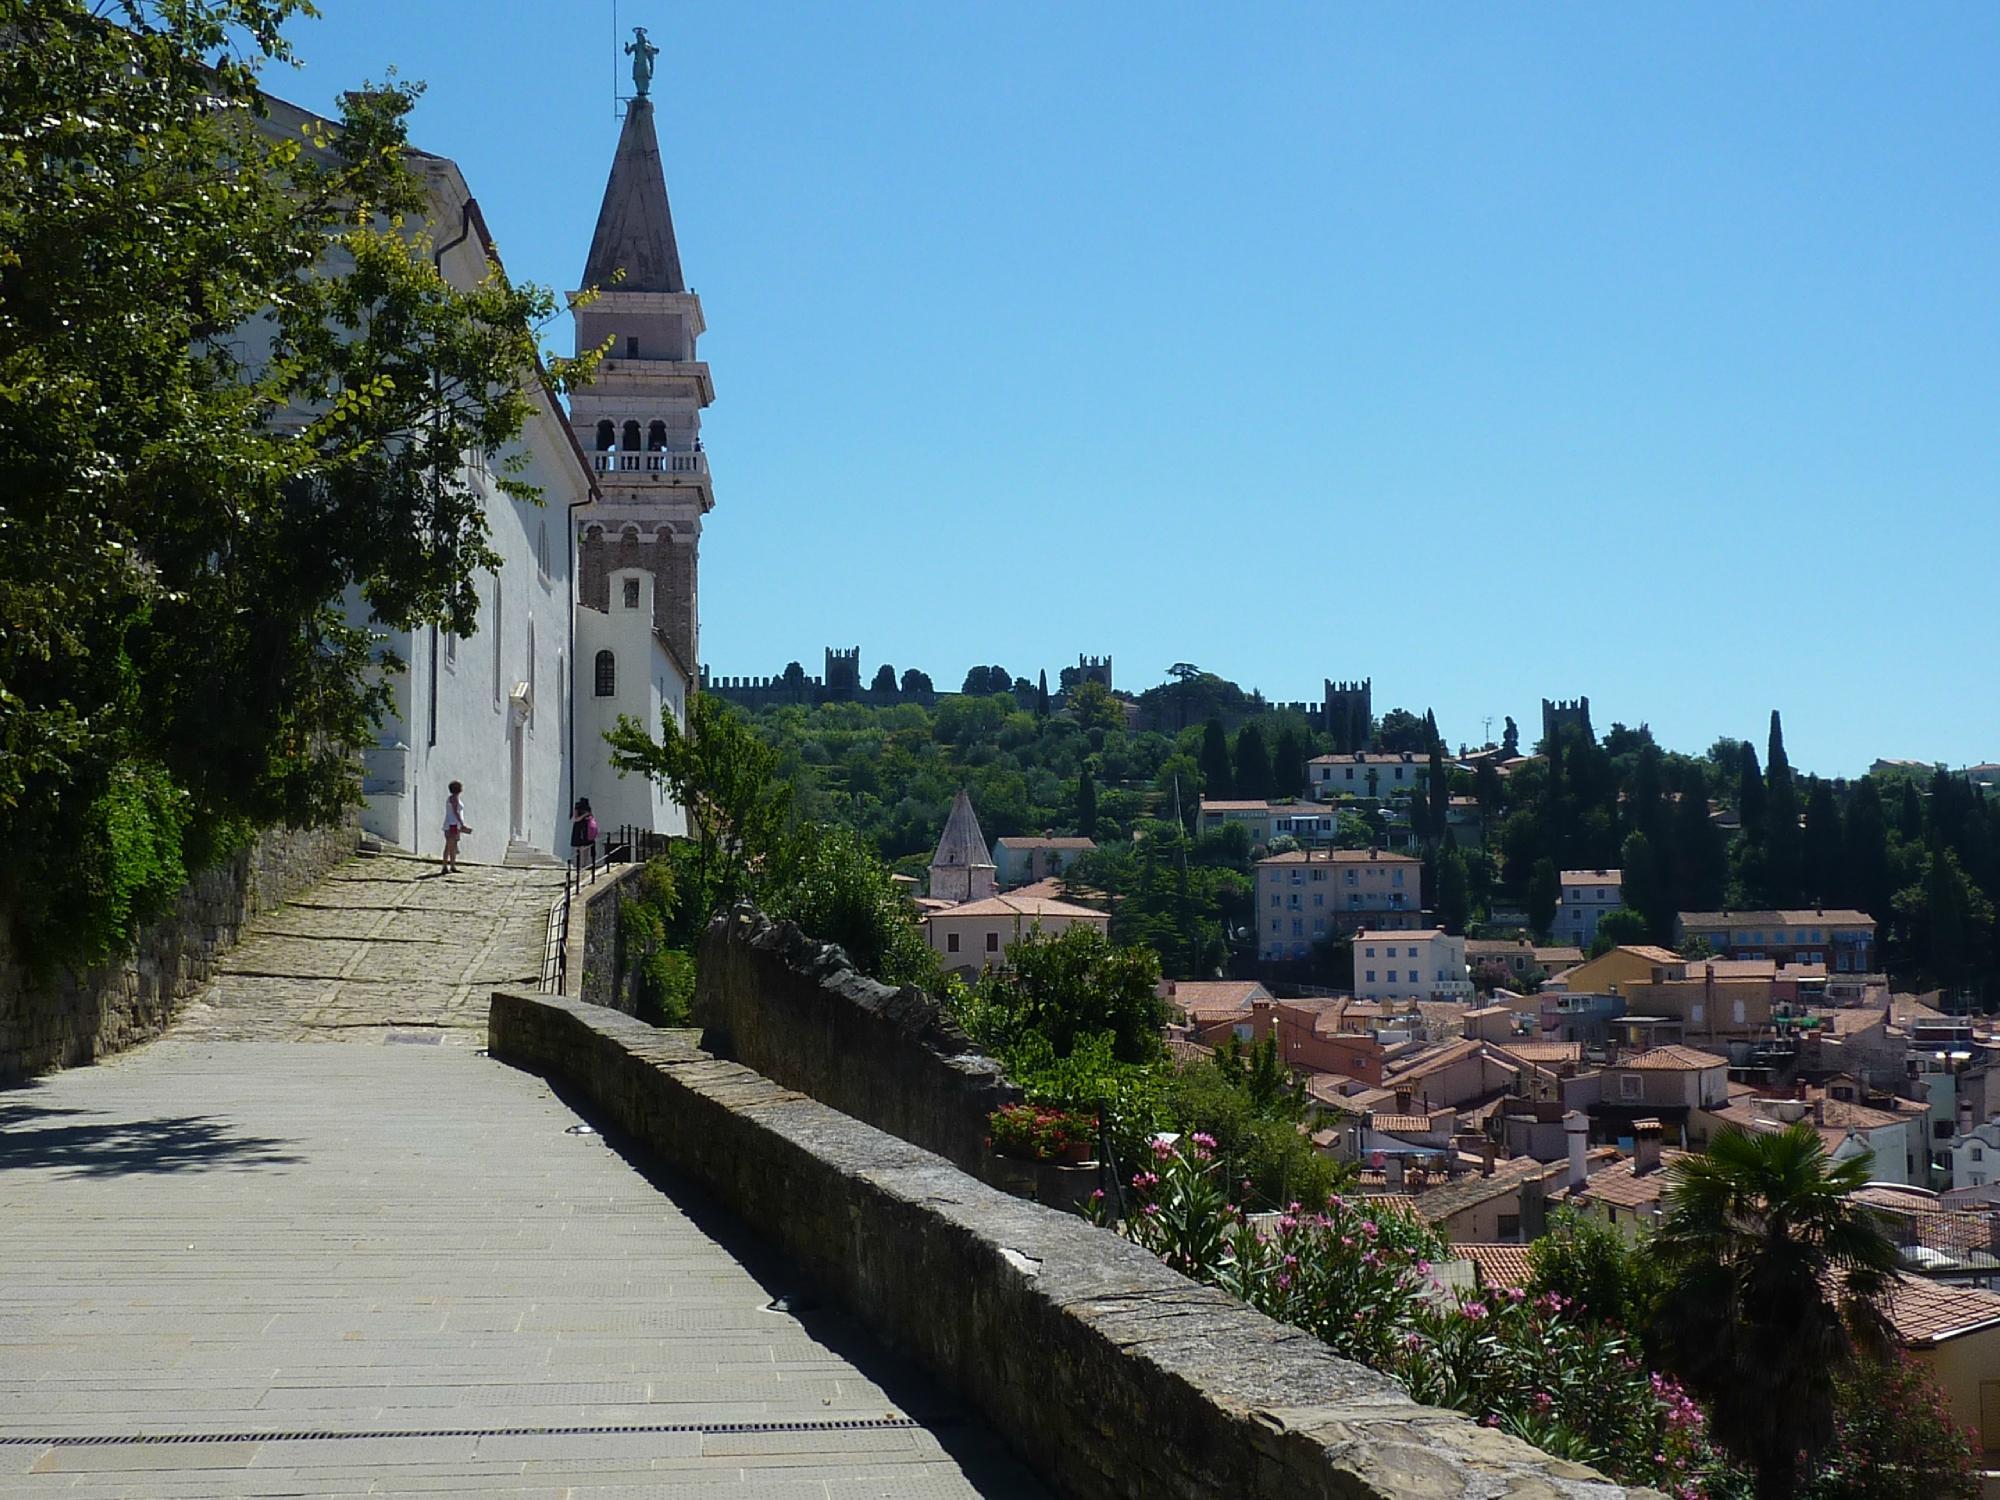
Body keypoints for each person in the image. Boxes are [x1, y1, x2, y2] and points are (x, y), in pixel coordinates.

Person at [442, 781, 472, 873]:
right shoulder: (454, 799)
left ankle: (452, 865)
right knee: (450, 845)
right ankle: (445, 866)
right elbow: (456, 812)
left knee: (454, 845)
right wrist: (462, 824)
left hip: (454, 824)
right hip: (453, 824)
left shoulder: (454, 798)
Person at [569, 798, 598, 863]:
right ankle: (579, 863)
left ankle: (584, 863)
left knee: (586, 846)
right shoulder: (577, 808)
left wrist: (588, 817)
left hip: (586, 828)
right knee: (579, 846)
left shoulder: (588, 808)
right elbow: (576, 819)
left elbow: (591, 816)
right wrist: (584, 815)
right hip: (579, 828)